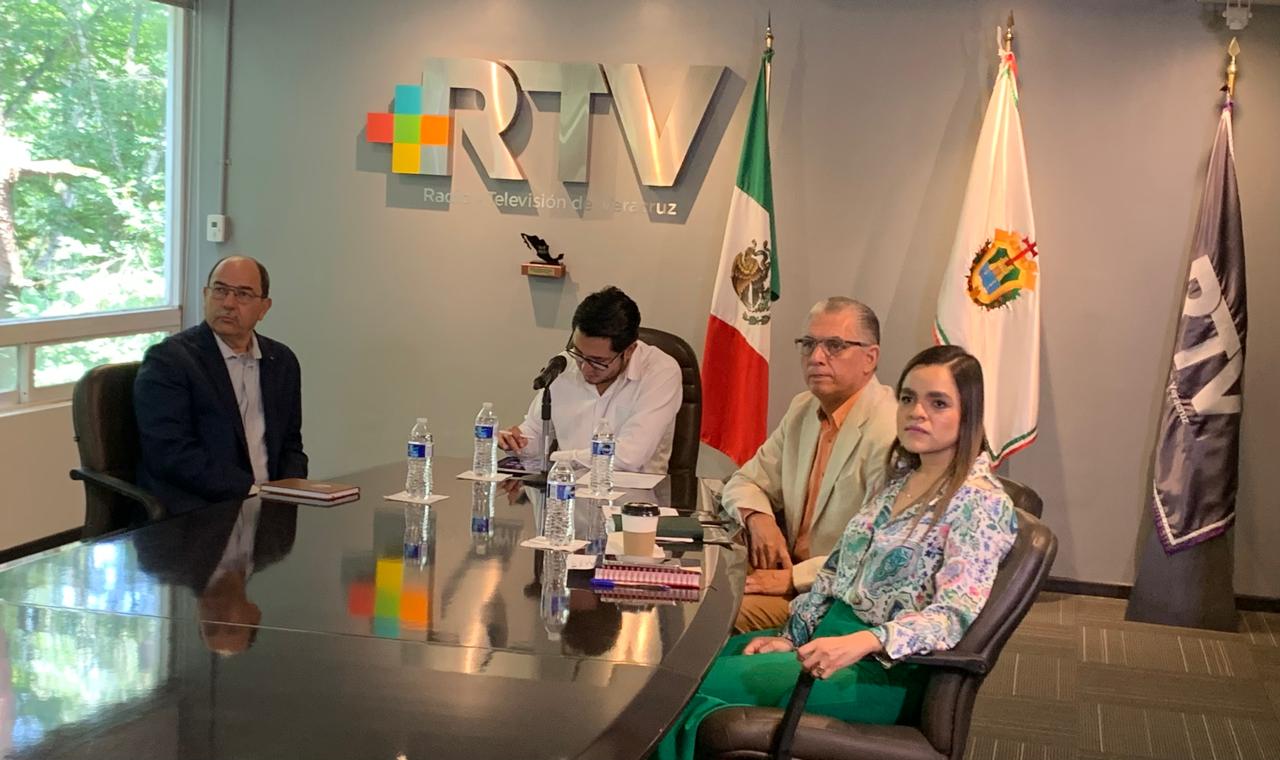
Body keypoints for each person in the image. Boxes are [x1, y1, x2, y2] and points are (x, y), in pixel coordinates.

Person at [655, 345, 1018, 759]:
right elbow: (835, 576)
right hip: (823, 646)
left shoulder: (980, 504)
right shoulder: (900, 481)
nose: (917, 412)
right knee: (679, 666)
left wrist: (865, 641)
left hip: (878, 671)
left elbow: (953, 616)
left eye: (938, 403)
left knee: (676, 691)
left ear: (969, 413)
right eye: (908, 398)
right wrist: (790, 638)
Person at [722, 297, 897, 633]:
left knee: (713, 614)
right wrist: (758, 518)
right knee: (684, 585)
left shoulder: (890, 433)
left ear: (870, 358)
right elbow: (745, 481)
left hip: (836, 597)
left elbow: (877, 553)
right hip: (786, 574)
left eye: (835, 346)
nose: (816, 357)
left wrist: (793, 577)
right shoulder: (803, 409)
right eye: (808, 344)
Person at [134, 255, 307, 511]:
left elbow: (291, 444)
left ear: (264, 307)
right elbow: (171, 453)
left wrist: (289, 492)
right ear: (205, 295)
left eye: (243, 294)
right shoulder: (169, 361)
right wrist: (252, 492)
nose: (228, 303)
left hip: (270, 506)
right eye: (220, 290)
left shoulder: (281, 361)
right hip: (200, 509)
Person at [497, 286, 681, 473]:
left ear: (629, 351)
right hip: (566, 485)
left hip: (632, 488)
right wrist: (519, 441)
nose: (584, 367)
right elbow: (538, 431)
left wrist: (559, 457)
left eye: (598, 361)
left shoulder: (661, 371)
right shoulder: (564, 364)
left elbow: (629, 457)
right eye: (578, 353)